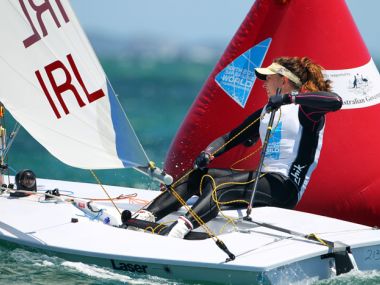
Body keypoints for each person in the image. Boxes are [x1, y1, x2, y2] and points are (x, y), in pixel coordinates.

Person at [133, 56, 343, 239]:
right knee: (198, 176)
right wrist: (208, 152)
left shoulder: (306, 110)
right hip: (264, 181)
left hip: (285, 188)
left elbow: (336, 101)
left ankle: (179, 230)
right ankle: (144, 217)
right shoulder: (266, 112)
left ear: (283, 80)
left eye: (268, 78)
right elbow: (229, 138)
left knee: (220, 187)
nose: (264, 83)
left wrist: (289, 98)